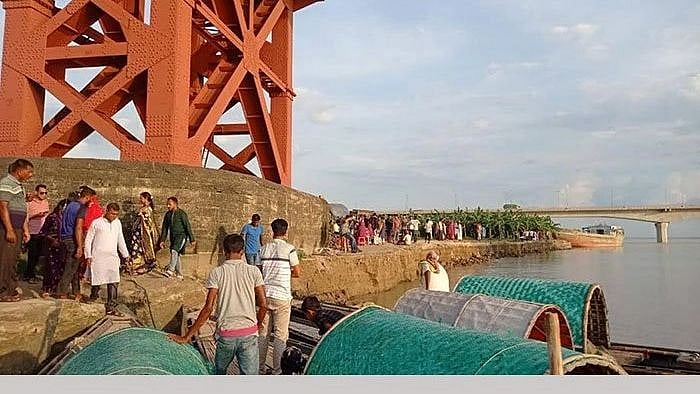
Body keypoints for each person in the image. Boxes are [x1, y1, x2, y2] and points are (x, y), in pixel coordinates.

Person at [169, 234, 267, 375]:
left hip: (226, 335)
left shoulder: (217, 273)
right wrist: (257, 325)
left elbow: (208, 309)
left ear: (224, 251)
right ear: (243, 251)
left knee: (219, 373)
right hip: (249, 334)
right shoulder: (254, 271)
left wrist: (187, 336)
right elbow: (264, 304)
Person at [256, 218, 300, 375]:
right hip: (282, 296)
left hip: (265, 296)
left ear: (272, 231)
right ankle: (277, 371)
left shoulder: (263, 249)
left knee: (263, 334)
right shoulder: (290, 249)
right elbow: (297, 272)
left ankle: (259, 368)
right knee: (281, 336)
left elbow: (258, 272)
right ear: (285, 231)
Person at [83, 203, 131, 315]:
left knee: (113, 280)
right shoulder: (96, 223)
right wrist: (88, 255)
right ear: (107, 211)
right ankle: (94, 296)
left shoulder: (117, 223)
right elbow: (88, 240)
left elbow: (120, 240)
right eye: (112, 213)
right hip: (98, 256)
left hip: (112, 257)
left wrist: (126, 255)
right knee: (97, 278)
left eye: (116, 214)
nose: (114, 216)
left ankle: (111, 305)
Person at [0, 159, 33, 302]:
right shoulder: (7, 183)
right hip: (10, 227)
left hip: (18, 226)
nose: (31, 174)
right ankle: (4, 291)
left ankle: (10, 288)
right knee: (6, 260)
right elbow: (2, 206)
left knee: (13, 259)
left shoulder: (17, 185)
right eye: (29, 171)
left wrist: (25, 229)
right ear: (19, 171)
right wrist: (9, 229)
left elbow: (21, 208)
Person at [56, 186, 96, 301]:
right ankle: (61, 291)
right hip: (72, 239)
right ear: (87, 197)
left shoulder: (70, 205)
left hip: (64, 237)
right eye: (91, 199)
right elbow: (78, 227)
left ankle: (76, 291)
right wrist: (79, 246)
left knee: (74, 267)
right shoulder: (81, 208)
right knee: (71, 266)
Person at [158, 197, 195, 279]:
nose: (168, 206)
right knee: (176, 254)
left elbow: (187, 226)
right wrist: (162, 240)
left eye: (169, 204)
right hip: (173, 237)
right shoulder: (168, 215)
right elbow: (165, 228)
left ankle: (170, 270)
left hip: (181, 236)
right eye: (167, 204)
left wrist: (192, 239)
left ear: (175, 204)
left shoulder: (182, 214)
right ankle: (179, 274)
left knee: (174, 250)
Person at [38, 199, 69, 298]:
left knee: (61, 267)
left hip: (62, 246)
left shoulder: (67, 219)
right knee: (50, 268)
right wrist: (52, 240)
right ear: (60, 207)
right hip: (51, 246)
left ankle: (57, 289)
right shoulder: (51, 217)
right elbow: (43, 232)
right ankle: (47, 289)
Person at [24, 184, 50, 283]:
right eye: (42, 193)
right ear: (36, 192)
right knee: (32, 254)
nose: (44, 195)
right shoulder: (29, 203)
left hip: (42, 231)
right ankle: (29, 275)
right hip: (32, 231)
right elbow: (26, 217)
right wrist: (35, 215)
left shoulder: (45, 202)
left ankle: (30, 273)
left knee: (39, 254)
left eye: (45, 193)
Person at [131, 192, 160, 275]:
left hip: (144, 232)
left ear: (146, 199)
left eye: (141, 198)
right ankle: (136, 265)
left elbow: (149, 223)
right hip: (139, 232)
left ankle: (145, 264)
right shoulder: (143, 208)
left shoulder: (148, 209)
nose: (140, 200)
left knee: (143, 248)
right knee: (137, 247)